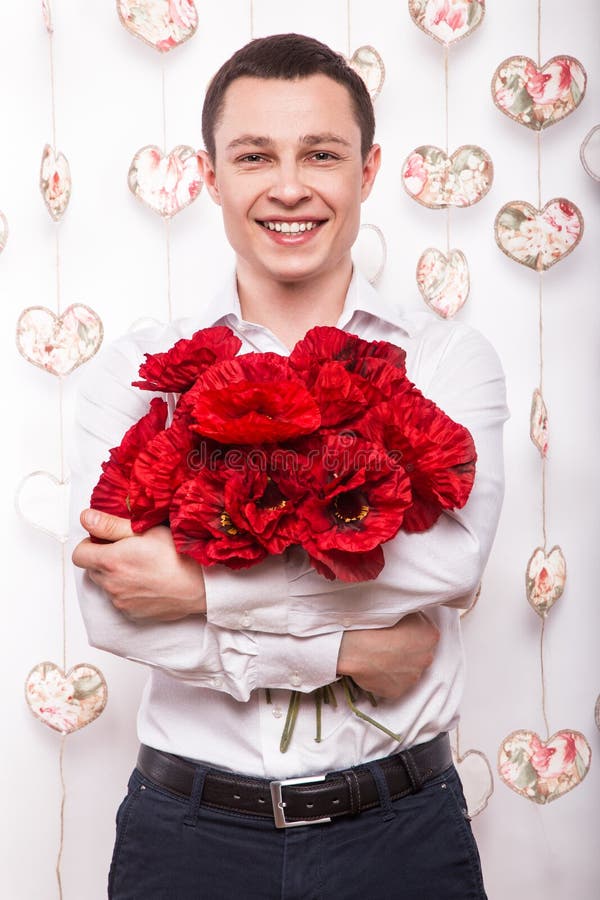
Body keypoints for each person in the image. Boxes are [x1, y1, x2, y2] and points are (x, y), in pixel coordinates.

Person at [71, 33, 508, 899]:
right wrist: (347, 648)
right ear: (211, 177)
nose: (289, 185)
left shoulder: (448, 360)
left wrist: (200, 588)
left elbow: (451, 563)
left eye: (321, 153)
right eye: (254, 155)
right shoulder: (139, 373)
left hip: (402, 831)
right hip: (186, 837)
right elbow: (114, 612)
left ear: (369, 169)